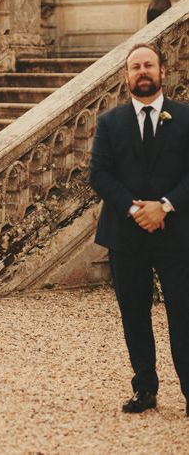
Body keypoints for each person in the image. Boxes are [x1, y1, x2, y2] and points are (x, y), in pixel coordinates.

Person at [89, 43, 189, 416]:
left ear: (163, 72)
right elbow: (98, 174)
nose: (142, 71)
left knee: (184, 312)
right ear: (126, 76)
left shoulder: (185, 117)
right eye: (135, 67)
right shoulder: (109, 122)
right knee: (134, 312)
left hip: (178, 233)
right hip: (125, 234)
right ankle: (145, 388)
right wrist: (135, 209)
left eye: (148, 65)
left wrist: (164, 206)